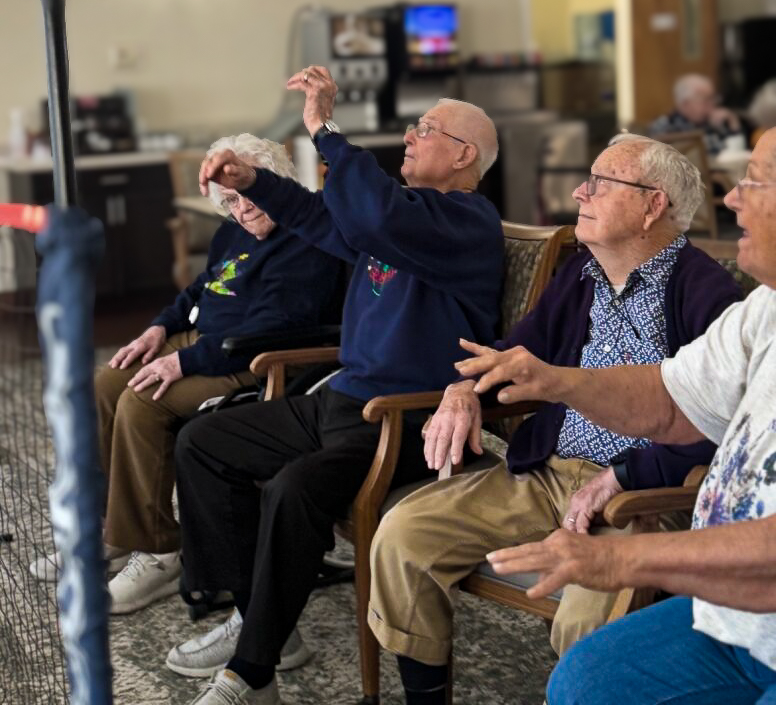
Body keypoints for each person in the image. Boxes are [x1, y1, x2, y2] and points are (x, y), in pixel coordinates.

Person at [167, 65, 504, 705]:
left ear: (464, 155)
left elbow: (371, 214)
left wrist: (324, 128)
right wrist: (257, 182)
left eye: (424, 130)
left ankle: (252, 672)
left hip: (408, 419)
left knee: (296, 489)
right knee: (204, 440)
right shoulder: (405, 217)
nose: (409, 136)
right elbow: (326, 221)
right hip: (344, 401)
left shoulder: (466, 222)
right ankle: (254, 615)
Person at [367, 134, 742, 705]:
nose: (577, 192)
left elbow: (724, 429)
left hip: (642, 499)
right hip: (549, 474)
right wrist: (464, 387)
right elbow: (518, 352)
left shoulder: (707, 294)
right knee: (404, 535)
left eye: (600, 183)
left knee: (587, 620)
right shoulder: (580, 273)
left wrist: (621, 478)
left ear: (652, 205)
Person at [473, 127, 776, 705]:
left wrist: (618, 555)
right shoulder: (767, 304)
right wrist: (556, 380)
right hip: (735, 616)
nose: (731, 198)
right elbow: (671, 399)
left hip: (744, 586)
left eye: (755, 182)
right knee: (585, 683)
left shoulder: (703, 286)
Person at [32, 135, 341, 633]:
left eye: (247, 195)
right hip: (208, 341)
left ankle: (158, 551)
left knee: (144, 400)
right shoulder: (234, 233)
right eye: (229, 202)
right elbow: (202, 289)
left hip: (254, 358)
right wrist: (160, 327)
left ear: (276, 181)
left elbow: (279, 324)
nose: (241, 210)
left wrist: (185, 361)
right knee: (103, 384)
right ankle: (119, 526)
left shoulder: (308, 239)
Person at [649, 73, 742, 156]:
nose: (711, 105)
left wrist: (733, 121)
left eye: (713, 99)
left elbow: (737, 153)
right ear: (685, 104)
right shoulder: (665, 126)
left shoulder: (714, 122)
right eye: (705, 100)